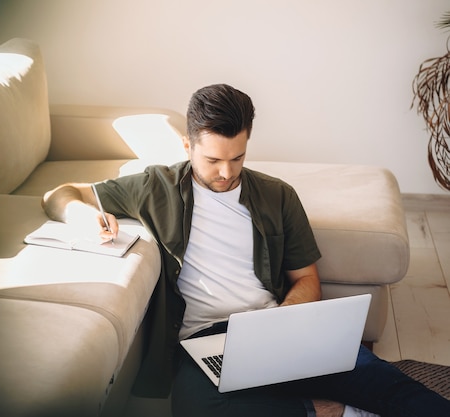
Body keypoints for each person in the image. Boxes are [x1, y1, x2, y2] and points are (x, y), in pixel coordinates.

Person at [42, 84, 450, 417]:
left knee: (386, 383)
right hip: (205, 341)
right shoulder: (156, 187)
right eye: (213, 159)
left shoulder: (277, 195)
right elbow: (60, 194)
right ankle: (332, 412)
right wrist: (80, 213)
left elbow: (306, 278)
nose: (226, 172)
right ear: (187, 145)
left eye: (238, 157)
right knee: (195, 407)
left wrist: (286, 322)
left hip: (277, 328)